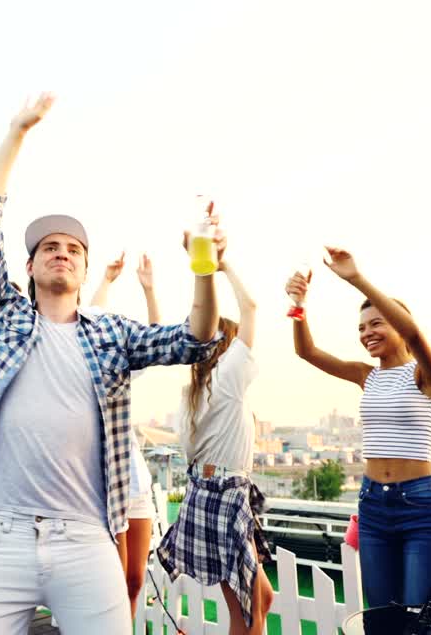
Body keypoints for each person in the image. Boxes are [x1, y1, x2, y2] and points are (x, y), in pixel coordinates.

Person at [0, 94, 223, 635]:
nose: (62, 252)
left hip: (85, 538)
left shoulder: (112, 334)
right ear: (29, 266)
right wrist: (17, 131)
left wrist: (205, 268)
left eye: (73, 249)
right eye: (49, 247)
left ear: (83, 268)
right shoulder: (4, 315)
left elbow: (195, 340)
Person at [286, 246, 431, 607]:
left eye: (377, 323)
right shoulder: (367, 376)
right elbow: (307, 352)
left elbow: (414, 334)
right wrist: (298, 305)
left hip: (421, 506)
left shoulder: (426, 374)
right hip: (373, 504)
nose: (366, 333)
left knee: (424, 619)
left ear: (398, 325)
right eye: (361, 328)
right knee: (381, 616)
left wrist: (356, 279)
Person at [157, 258, 274, 634]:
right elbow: (251, 307)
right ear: (226, 346)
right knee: (249, 612)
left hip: (210, 492)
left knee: (259, 598)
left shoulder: (193, 392)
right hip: (224, 494)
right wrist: (223, 266)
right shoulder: (227, 376)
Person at [89, 252, 162, 619]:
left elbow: (156, 339)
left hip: (136, 485)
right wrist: (105, 280)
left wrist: (148, 289)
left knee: (135, 580)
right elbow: (92, 317)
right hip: (105, 488)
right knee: (114, 582)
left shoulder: (122, 371)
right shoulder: (81, 369)